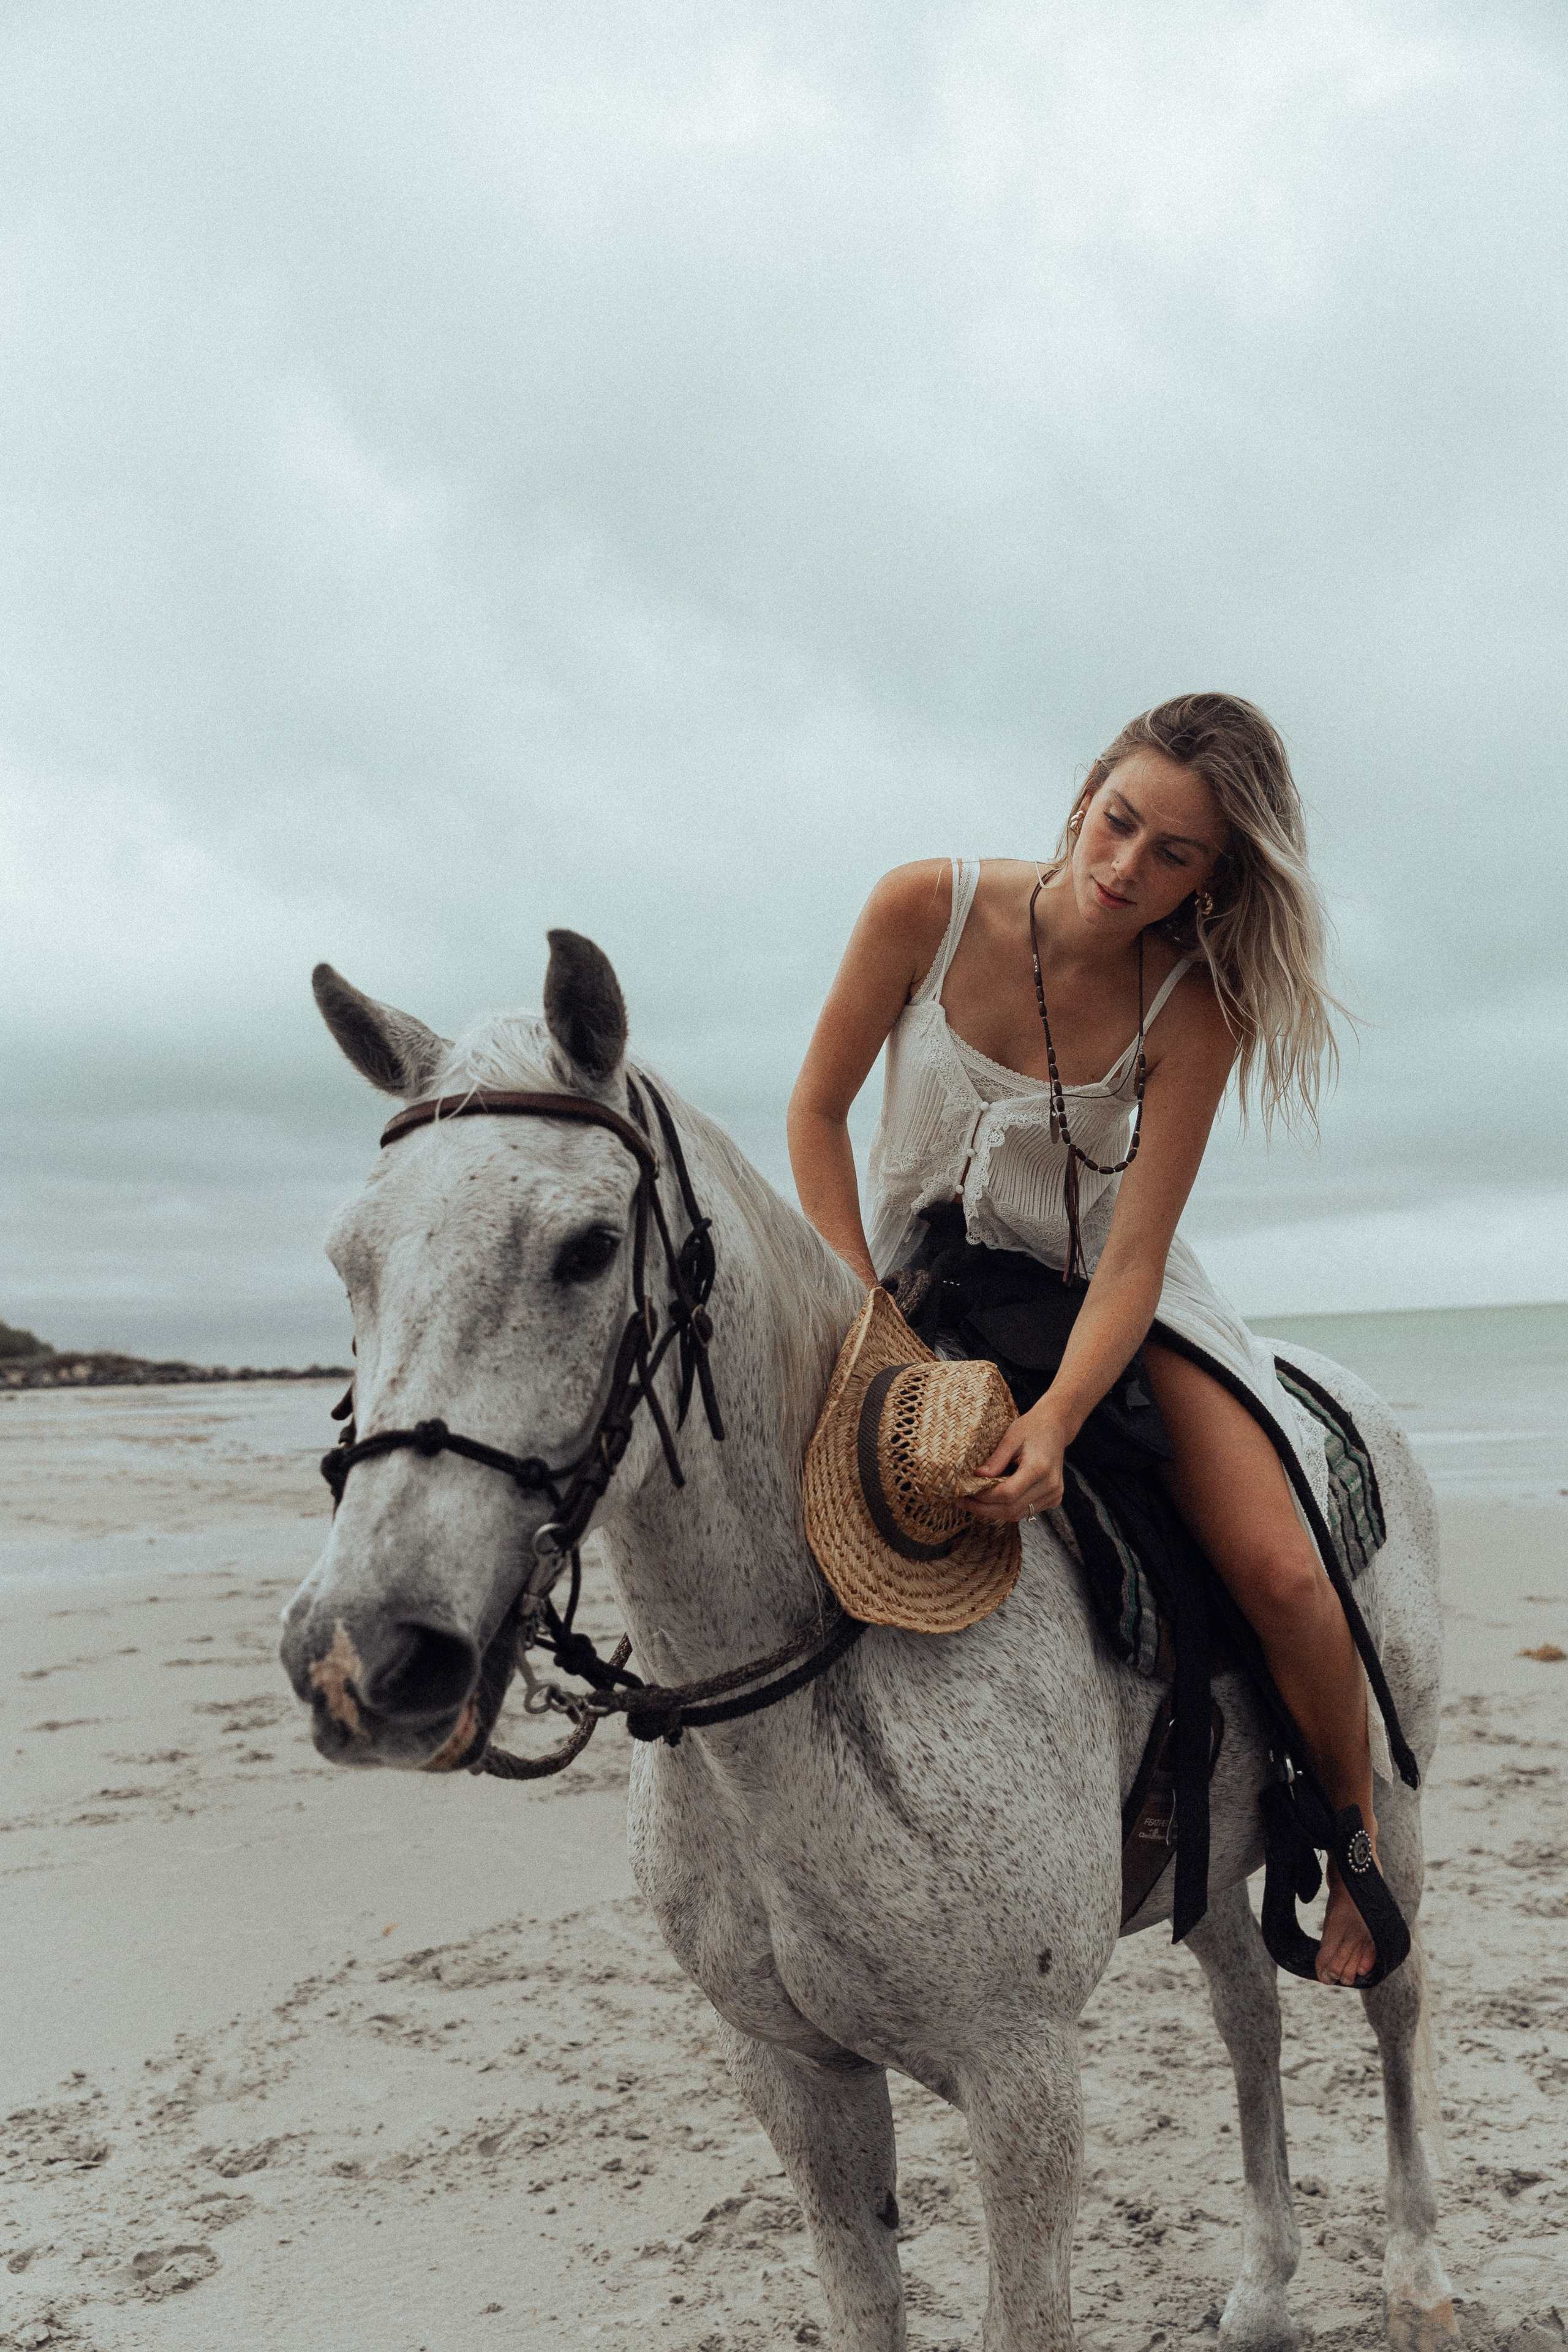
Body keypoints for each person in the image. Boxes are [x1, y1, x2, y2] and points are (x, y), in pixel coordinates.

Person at [788, 692, 1382, 1987]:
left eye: (1175, 855)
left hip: (1111, 1304)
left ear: (1215, 880)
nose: (1126, 869)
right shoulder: (920, 909)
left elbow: (1128, 1261)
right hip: (903, 1289)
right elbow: (817, 1118)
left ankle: (1350, 1833)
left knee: (1282, 1574)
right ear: (1080, 799)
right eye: (1119, 824)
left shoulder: (1192, 1009)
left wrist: (1055, 1426)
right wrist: (861, 1320)